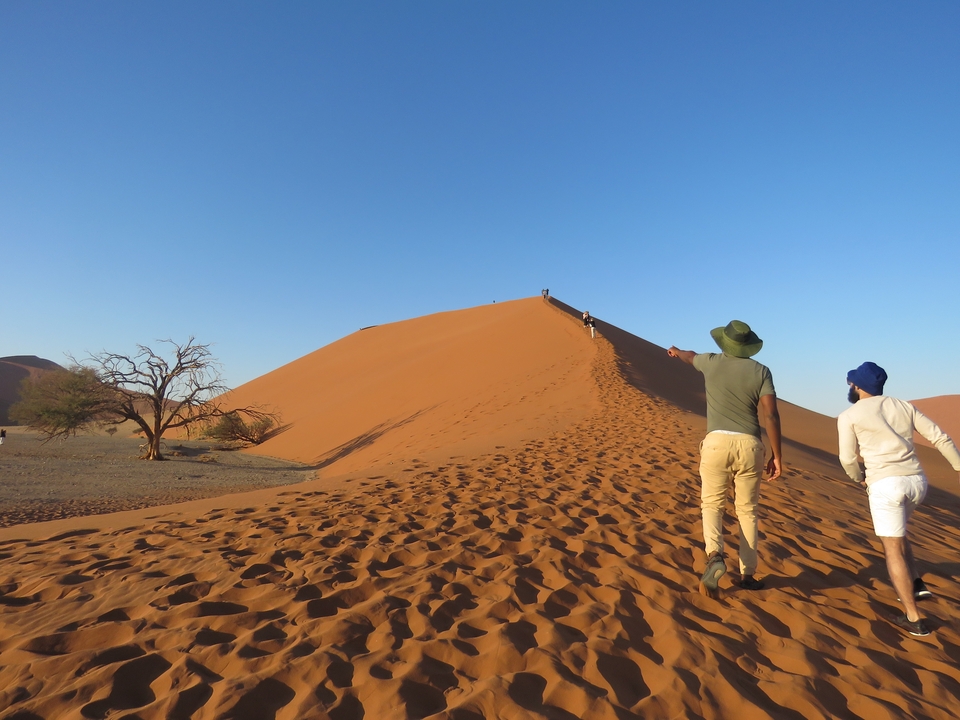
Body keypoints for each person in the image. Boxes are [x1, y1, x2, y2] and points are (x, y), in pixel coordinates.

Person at [838, 361, 960, 637]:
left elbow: (847, 458)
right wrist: (958, 465)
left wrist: (858, 477)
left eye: (851, 382)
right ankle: (916, 582)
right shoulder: (903, 406)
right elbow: (939, 436)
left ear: (857, 386)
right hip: (917, 482)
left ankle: (914, 617)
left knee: (891, 547)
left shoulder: (849, 415)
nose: (850, 386)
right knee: (899, 533)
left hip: (885, 484)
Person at [668, 320, 782, 594]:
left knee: (712, 505)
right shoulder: (761, 371)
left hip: (716, 443)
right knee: (747, 511)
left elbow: (689, 356)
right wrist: (777, 456)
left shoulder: (711, 361)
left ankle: (715, 555)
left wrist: (675, 350)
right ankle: (748, 575)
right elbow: (771, 415)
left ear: (725, 342)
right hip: (750, 445)